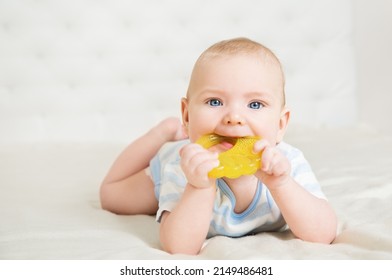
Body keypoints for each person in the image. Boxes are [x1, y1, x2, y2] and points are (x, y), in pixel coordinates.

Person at [100, 37, 337, 255]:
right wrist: (200, 186)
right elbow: (179, 247)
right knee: (110, 197)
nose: (234, 117)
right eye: (215, 101)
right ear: (188, 115)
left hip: (280, 178)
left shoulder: (287, 164)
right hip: (176, 163)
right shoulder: (183, 166)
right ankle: (164, 131)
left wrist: (282, 185)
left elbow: (323, 234)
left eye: (255, 104)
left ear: (281, 124)